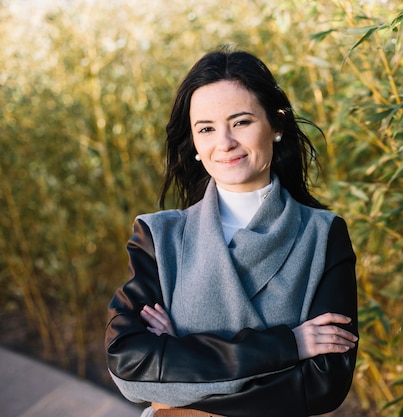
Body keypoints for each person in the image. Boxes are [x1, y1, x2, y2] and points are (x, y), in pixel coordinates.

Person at [105, 48, 358, 417]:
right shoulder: (157, 236)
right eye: (205, 128)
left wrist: (181, 358)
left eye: (240, 122)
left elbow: (323, 384)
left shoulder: (322, 235)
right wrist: (288, 346)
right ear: (194, 143)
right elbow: (128, 367)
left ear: (277, 126)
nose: (223, 142)